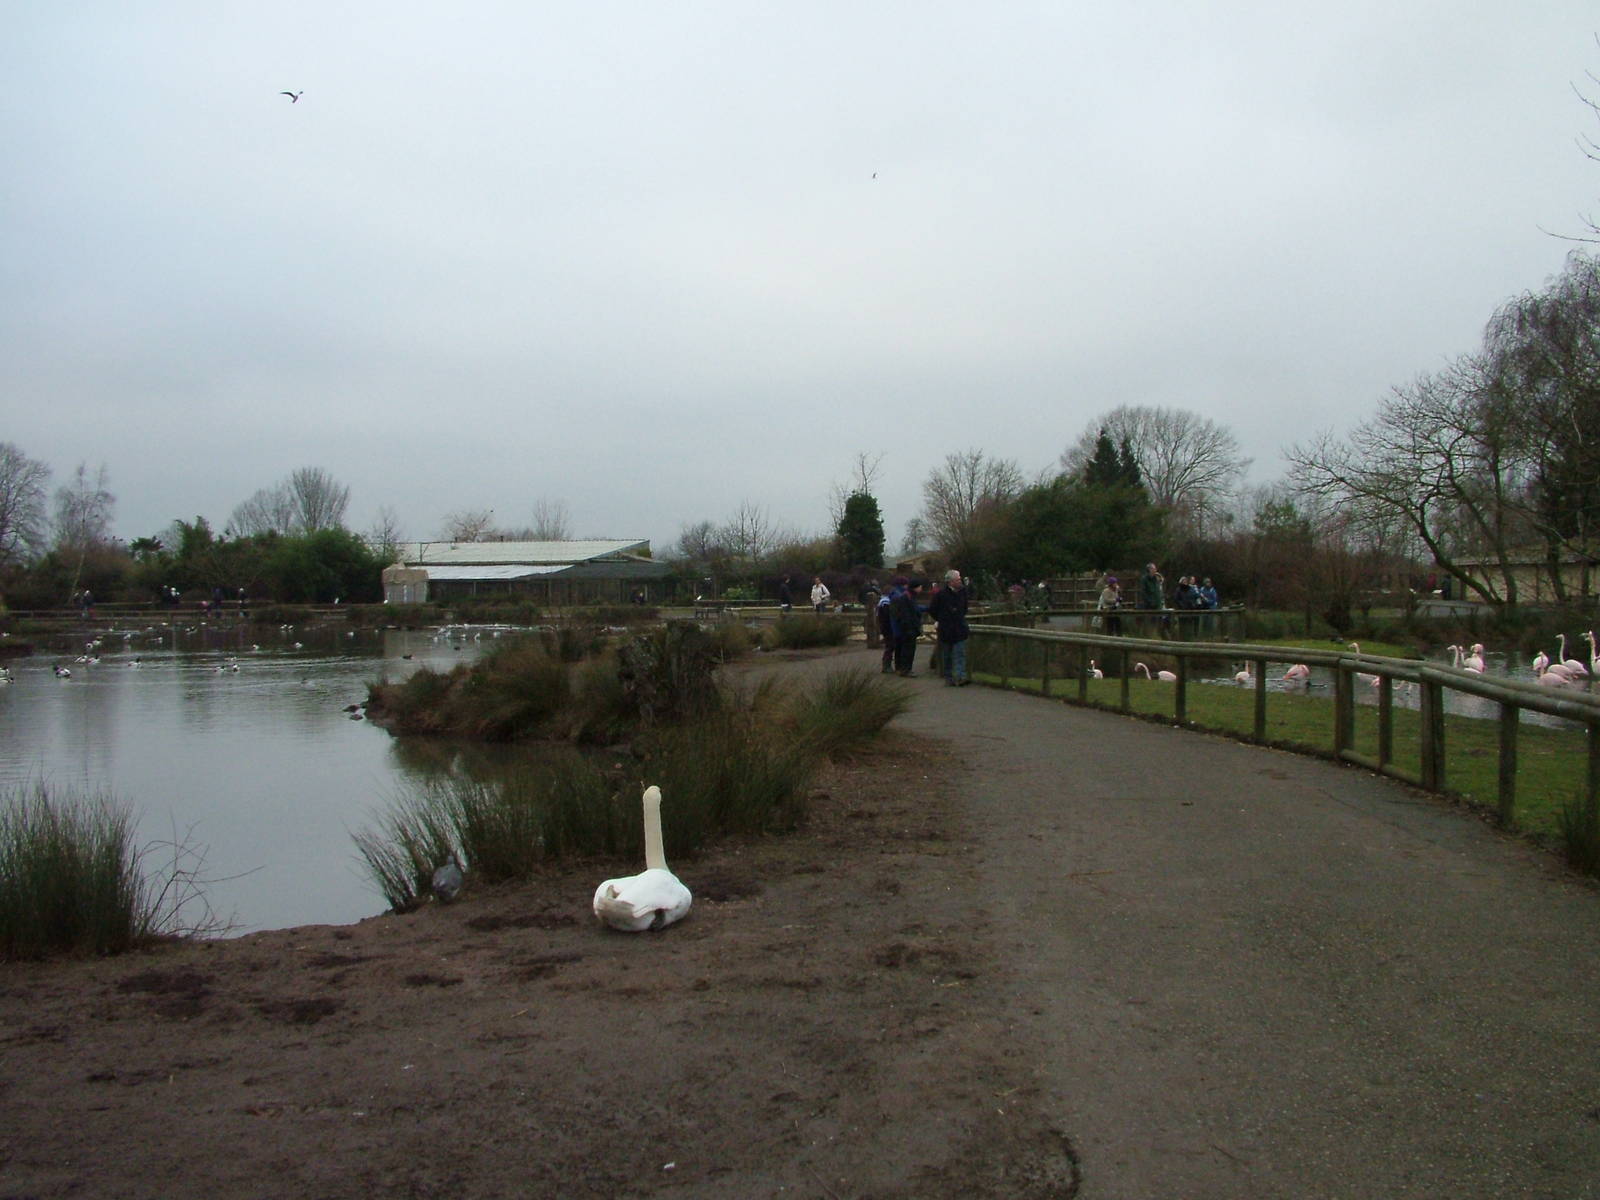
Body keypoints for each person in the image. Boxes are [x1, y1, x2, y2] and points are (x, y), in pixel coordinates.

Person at [928, 569, 971, 685]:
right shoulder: (941, 595)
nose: (960, 581)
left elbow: (965, 608)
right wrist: (942, 619)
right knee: (947, 655)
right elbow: (932, 610)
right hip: (946, 629)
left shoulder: (963, 593)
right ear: (950, 582)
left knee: (960, 653)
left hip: (959, 628)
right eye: (957, 579)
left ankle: (960, 676)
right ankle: (949, 677)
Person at [889, 578, 925, 676]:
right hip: (908, 629)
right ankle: (906, 669)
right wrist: (910, 627)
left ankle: (901, 668)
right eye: (920, 587)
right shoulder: (906, 598)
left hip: (906, 628)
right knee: (908, 650)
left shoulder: (907, 596)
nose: (921, 589)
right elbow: (907, 614)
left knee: (903, 649)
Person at [877, 583, 898, 672]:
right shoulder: (885, 602)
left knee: (890, 645)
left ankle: (887, 665)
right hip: (887, 627)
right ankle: (886, 666)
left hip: (884, 626)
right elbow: (886, 616)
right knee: (890, 646)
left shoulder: (882, 601)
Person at [859, 579, 883, 647]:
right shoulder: (873, 589)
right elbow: (880, 594)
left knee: (868, 619)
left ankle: (867, 632)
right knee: (873, 620)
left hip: (866, 604)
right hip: (872, 605)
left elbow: (860, 596)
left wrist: (863, 602)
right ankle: (873, 638)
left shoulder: (863, 588)